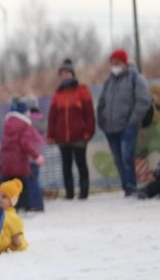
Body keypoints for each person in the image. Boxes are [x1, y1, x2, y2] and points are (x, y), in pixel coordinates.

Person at [96, 49, 153, 196]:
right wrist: (102, 120)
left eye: (117, 62)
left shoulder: (135, 78)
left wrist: (132, 122)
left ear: (124, 62)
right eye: (112, 63)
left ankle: (131, 186)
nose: (114, 66)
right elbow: (101, 103)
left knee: (127, 157)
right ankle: (126, 187)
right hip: (110, 128)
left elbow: (144, 100)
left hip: (127, 127)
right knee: (118, 159)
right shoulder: (109, 82)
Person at [47, 58, 96, 200]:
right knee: (66, 166)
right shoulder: (57, 95)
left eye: (67, 73)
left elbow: (89, 114)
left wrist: (89, 131)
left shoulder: (83, 91)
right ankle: (69, 193)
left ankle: (84, 192)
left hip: (79, 135)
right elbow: (52, 117)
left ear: (73, 74)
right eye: (62, 74)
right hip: (62, 137)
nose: (65, 76)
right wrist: (51, 134)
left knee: (81, 164)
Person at [0, 96, 45, 211]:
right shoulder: (25, 124)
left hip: (7, 161)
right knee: (24, 185)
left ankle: (12, 207)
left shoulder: (7, 123)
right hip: (20, 160)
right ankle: (29, 206)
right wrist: (37, 155)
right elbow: (25, 143)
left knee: (10, 186)